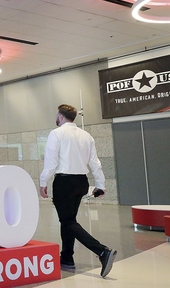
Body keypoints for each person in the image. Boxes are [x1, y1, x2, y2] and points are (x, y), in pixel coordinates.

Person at [39, 104, 117, 278]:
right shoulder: (86, 135)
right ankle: (67, 258)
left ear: (60, 116)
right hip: (81, 182)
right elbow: (95, 162)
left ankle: (102, 251)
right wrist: (100, 184)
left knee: (67, 221)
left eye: (56, 114)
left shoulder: (56, 133)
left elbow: (51, 163)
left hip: (64, 182)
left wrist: (43, 181)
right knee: (69, 220)